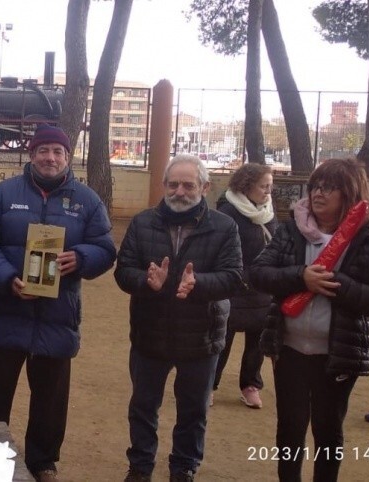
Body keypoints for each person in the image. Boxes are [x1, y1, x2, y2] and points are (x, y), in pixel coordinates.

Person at [0, 125, 117, 482]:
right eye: (43, 150)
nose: (50, 158)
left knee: (51, 400)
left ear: (67, 157)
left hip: (58, 316)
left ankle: (43, 462)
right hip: (7, 310)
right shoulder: (2, 194)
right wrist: (7, 278)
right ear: (31, 154)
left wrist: (81, 258)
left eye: (57, 151)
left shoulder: (87, 201)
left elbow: (105, 248)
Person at [249, 158, 369, 482]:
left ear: (349, 193)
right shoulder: (291, 230)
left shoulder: (368, 239)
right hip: (288, 350)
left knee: (328, 430)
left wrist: (340, 286)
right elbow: (259, 273)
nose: (318, 193)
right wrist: (301, 276)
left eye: (329, 187)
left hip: (338, 355)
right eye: (316, 186)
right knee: (290, 428)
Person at [115, 154, 243, 482]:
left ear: (205, 187)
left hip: (201, 336)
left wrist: (199, 283)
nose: (179, 192)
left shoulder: (224, 226)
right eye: (173, 184)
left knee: (193, 411)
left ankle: (184, 466)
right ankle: (140, 465)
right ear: (164, 185)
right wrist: (146, 281)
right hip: (150, 333)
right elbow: (123, 271)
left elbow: (233, 277)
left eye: (188, 185)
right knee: (143, 407)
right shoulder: (142, 222)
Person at [211, 163, 278, 409]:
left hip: (262, 287)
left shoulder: (269, 211)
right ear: (246, 186)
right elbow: (220, 250)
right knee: (222, 339)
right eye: (263, 186)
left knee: (257, 342)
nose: (268, 191)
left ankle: (251, 385)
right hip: (234, 286)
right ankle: (209, 384)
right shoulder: (227, 212)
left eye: (270, 186)